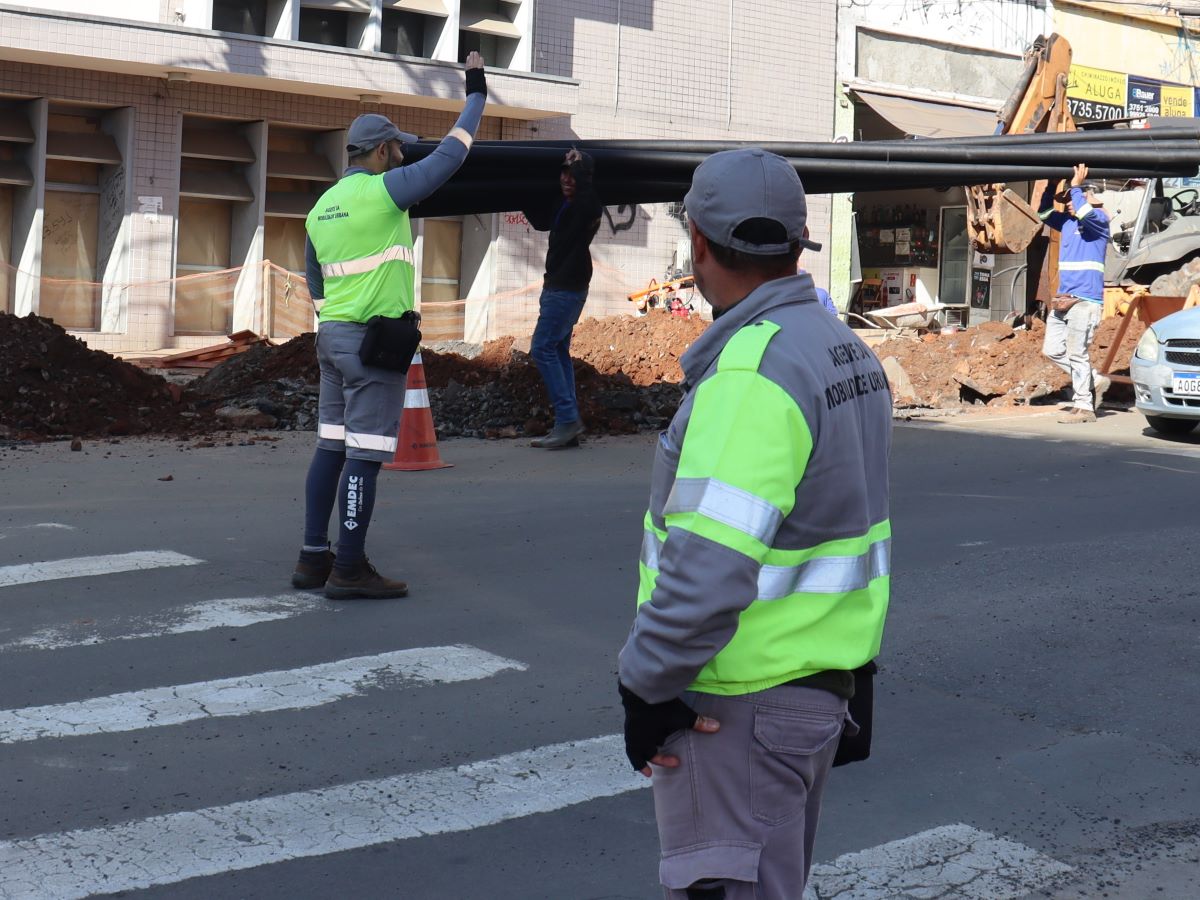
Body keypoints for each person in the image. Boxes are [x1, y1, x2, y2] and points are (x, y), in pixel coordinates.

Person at [616, 148, 893, 900]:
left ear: (699, 244)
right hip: (815, 691)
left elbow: (708, 567)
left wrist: (645, 687)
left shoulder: (752, 374)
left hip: (738, 703)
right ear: (797, 242)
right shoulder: (844, 351)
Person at [291, 52, 487, 600]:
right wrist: (475, 93)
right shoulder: (385, 191)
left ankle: (313, 557)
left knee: (330, 447)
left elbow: (316, 281)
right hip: (374, 345)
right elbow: (452, 155)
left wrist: (340, 317)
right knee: (365, 456)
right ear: (381, 152)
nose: (403, 155)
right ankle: (348, 570)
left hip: (331, 340)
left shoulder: (322, 207)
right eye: (397, 148)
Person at [523, 148, 603, 449]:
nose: (568, 179)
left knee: (542, 348)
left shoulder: (587, 204)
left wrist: (579, 162)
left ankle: (568, 420)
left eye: (575, 175)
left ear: (586, 178)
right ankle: (569, 424)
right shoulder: (565, 204)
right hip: (559, 285)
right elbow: (542, 221)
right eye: (564, 173)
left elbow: (584, 192)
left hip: (566, 288)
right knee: (557, 349)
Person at [1039, 163, 1112, 424]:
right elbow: (1045, 213)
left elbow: (1083, 210)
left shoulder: (1100, 222)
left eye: (1073, 199)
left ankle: (1084, 407)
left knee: (1076, 352)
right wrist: (1050, 185)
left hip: (1085, 301)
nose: (1069, 202)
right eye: (1068, 199)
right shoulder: (1068, 223)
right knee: (1052, 350)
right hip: (1064, 299)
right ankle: (1093, 380)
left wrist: (1076, 186)